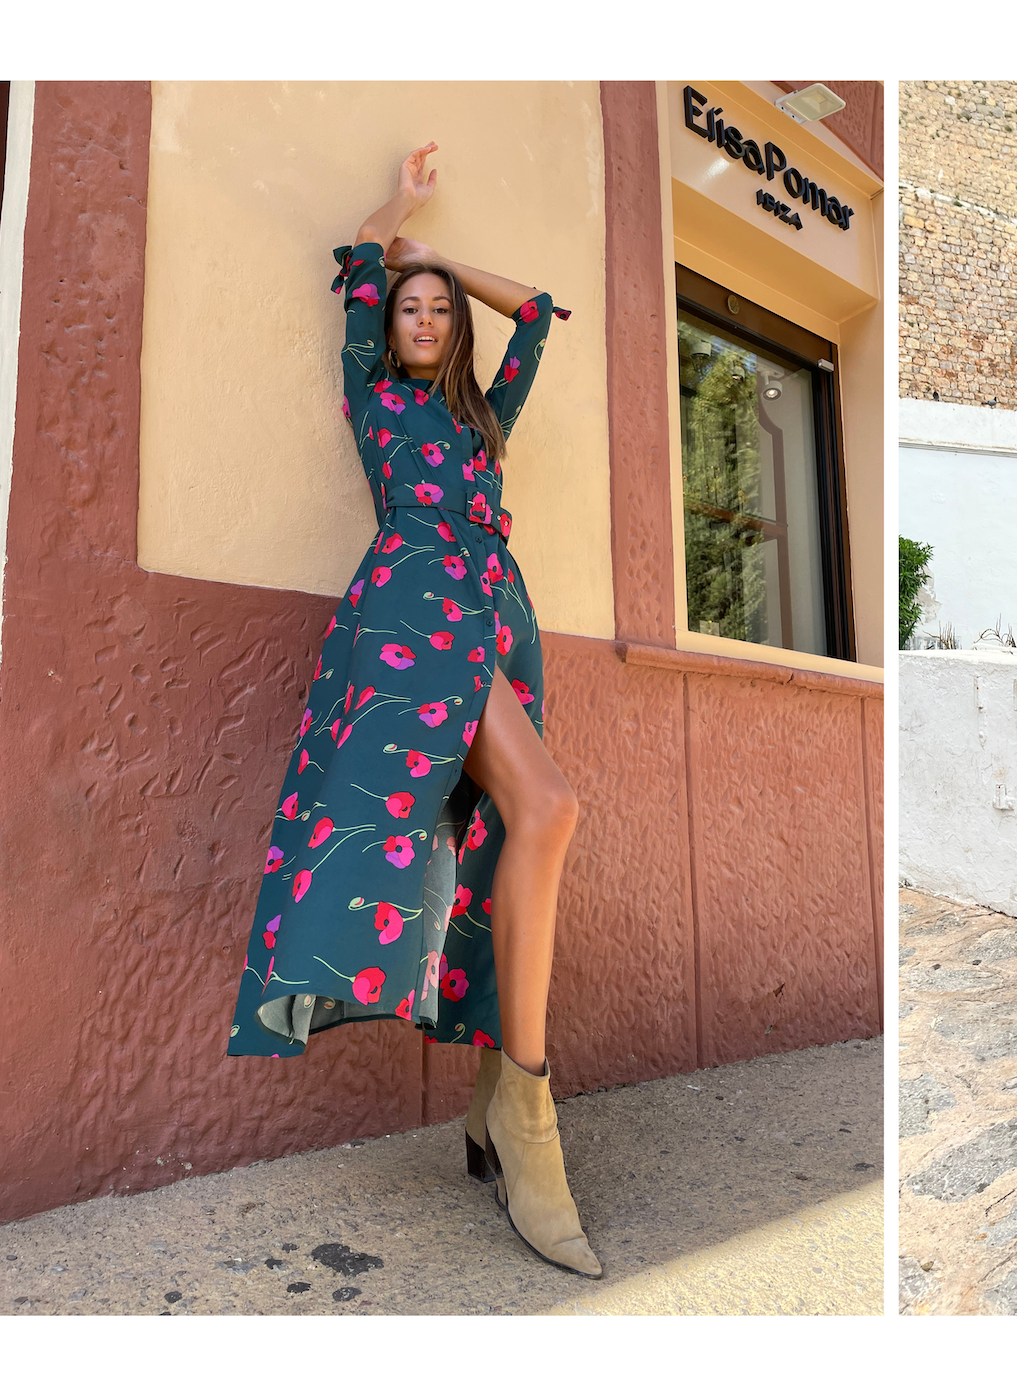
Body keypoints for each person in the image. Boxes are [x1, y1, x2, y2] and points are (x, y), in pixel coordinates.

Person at [223, 143, 598, 1277]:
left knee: (510, 834)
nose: (424, 316)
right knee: (548, 806)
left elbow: (536, 314)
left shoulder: (485, 417)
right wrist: (397, 228)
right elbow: (354, 260)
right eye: (410, 307)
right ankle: (525, 1119)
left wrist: (442, 254)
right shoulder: (370, 392)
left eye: (436, 308)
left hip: (492, 616)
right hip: (409, 613)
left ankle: (498, 1098)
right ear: (387, 328)